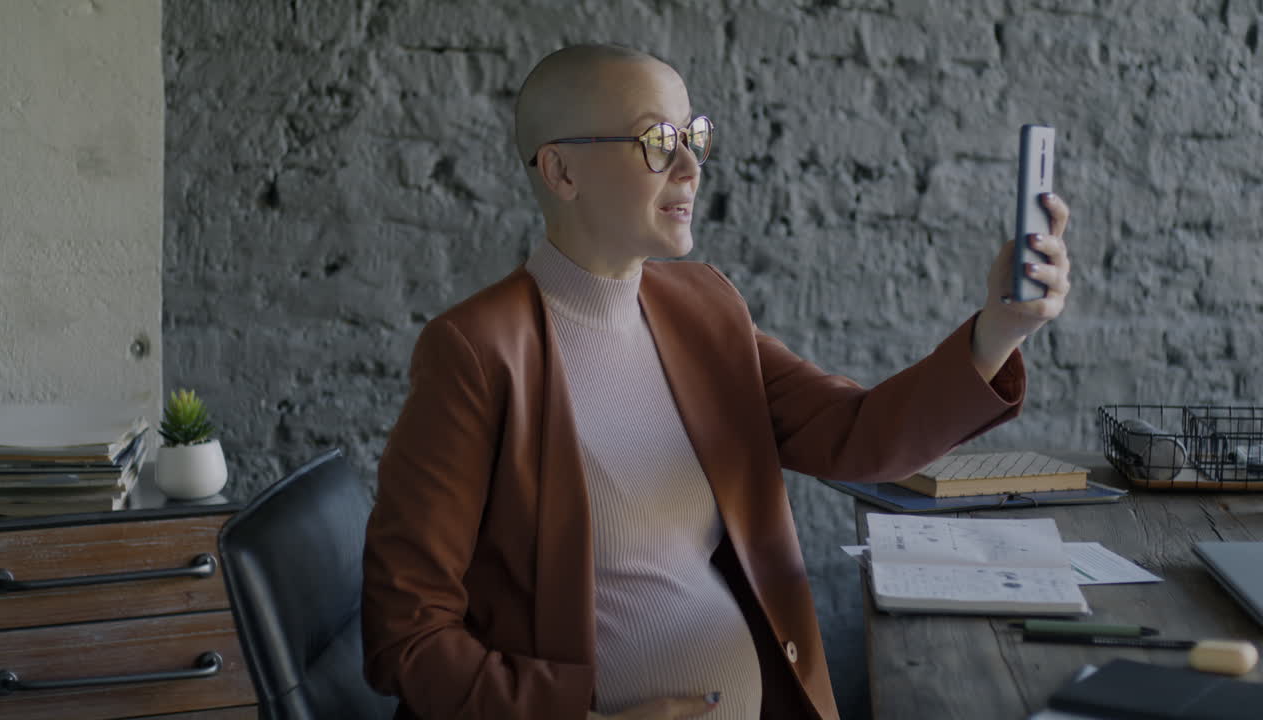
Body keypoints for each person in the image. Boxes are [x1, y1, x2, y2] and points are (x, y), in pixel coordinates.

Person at [362, 44, 1071, 720]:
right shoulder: (477, 352)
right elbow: (407, 631)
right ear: (561, 172)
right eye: (654, 142)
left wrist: (999, 329)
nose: (689, 166)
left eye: (692, 137)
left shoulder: (705, 307)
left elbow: (856, 437)